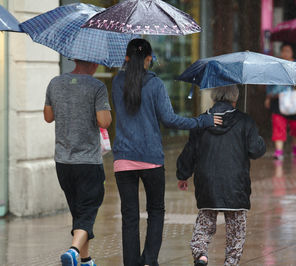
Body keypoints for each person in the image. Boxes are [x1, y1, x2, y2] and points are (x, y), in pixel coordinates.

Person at [112, 39, 222, 266]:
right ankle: (149, 261)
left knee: (129, 217)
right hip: (151, 159)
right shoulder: (155, 84)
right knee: (156, 211)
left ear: (126, 58)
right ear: (149, 59)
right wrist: (202, 121)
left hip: (123, 159)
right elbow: (170, 120)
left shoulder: (116, 82)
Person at [176, 86, 266, 266]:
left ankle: (201, 254)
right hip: (236, 185)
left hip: (207, 182)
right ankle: (230, 262)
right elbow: (255, 150)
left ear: (215, 96)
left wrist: (183, 174)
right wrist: (258, 138)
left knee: (205, 222)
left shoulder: (202, 121)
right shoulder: (244, 120)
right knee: (236, 231)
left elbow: (190, 150)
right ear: (235, 97)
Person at [44, 60, 112, 266]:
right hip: (88, 162)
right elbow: (105, 121)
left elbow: (48, 117)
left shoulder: (55, 83)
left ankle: (86, 259)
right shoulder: (96, 86)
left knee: (78, 211)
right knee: (88, 209)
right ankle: (73, 251)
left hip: (63, 161)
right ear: (92, 63)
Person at [265, 43, 296, 160]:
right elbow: (270, 83)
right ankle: (279, 151)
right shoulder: (276, 66)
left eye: (288, 50)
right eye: (284, 51)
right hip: (277, 99)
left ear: (292, 53)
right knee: (278, 124)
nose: (286, 53)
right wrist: (268, 97)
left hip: (293, 99)